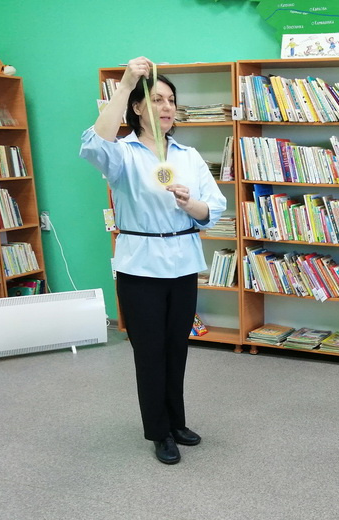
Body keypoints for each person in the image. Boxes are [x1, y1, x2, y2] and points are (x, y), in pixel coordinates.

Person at [79, 57, 226, 465]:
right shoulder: (122, 154)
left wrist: (190, 204)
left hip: (183, 263)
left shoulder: (188, 155)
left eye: (171, 101)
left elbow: (213, 208)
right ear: (138, 107)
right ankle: (159, 432)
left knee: (176, 348)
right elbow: (91, 145)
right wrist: (126, 83)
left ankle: (177, 422)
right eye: (157, 99)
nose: (166, 107)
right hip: (140, 267)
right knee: (150, 353)